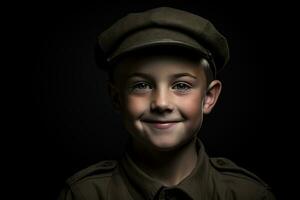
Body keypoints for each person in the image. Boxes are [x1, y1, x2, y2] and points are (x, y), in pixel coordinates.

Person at [58, 7, 276, 200]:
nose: (161, 103)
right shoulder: (84, 194)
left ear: (209, 98)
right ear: (117, 98)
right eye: (141, 85)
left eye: (181, 86)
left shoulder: (248, 194)